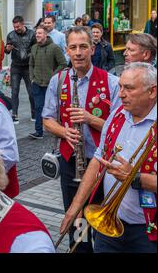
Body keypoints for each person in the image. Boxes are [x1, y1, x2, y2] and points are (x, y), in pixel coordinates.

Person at [61, 62, 157, 253]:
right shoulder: (117, 116)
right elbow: (98, 161)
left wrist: (135, 178)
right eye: (120, 86)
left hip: (148, 232)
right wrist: (75, 205)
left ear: (152, 91)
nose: (121, 94)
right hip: (109, 223)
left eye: (129, 88)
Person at [42, 26, 121, 252]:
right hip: (71, 162)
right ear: (67, 50)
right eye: (73, 47)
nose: (78, 52)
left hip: (103, 165)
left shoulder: (112, 83)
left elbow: (119, 129)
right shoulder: (58, 81)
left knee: (102, 220)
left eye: (83, 47)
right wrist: (64, 132)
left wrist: (90, 119)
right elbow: (47, 119)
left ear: (92, 49)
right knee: (77, 218)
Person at [29, 25, 67, 139]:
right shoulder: (34, 47)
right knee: (38, 107)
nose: (37, 35)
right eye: (36, 33)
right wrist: (32, 76)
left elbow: (63, 63)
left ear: (46, 35)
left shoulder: (54, 48)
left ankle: (57, 129)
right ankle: (38, 131)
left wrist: (53, 77)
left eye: (40, 33)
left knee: (54, 108)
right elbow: (31, 63)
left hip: (50, 84)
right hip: (37, 83)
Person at [4, 16, 36, 124]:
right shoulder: (11, 35)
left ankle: (34, 114)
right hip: (16, 66)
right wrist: (7, 49)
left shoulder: (32, 34)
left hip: (28, 66)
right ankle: (15, 115)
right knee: (14, 91)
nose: (16, 28)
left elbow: (36, 49)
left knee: (31, 91)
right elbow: (6, 51)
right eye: (14, 26)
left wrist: (30, 55)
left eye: (17, 26)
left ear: (23, 24)